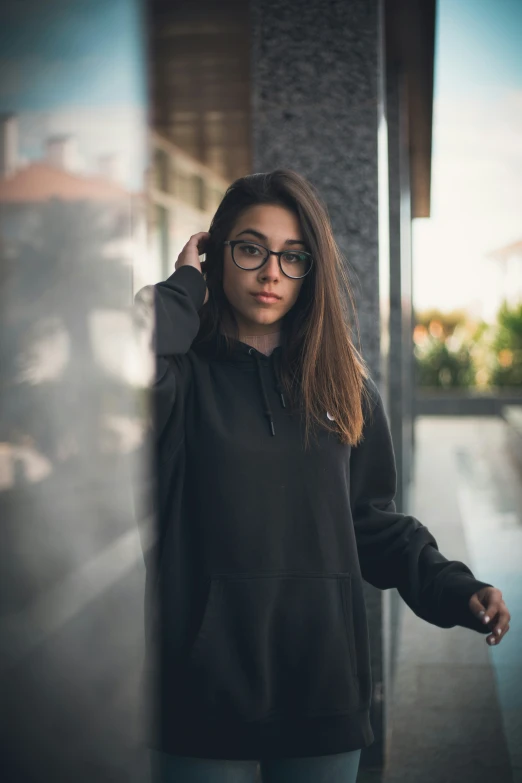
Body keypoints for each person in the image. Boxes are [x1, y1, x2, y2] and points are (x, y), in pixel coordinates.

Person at [137, 169, 511, 783]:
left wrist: (451, 587)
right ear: (216, 253)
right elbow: (126, 356)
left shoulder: (343, 385)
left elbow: (369, 522)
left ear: (314, 270)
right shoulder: (181, 380)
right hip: (203, 688)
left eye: (294, 257)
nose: (271, 273)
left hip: (323, 682)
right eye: (251, 248)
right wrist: (182, 287)